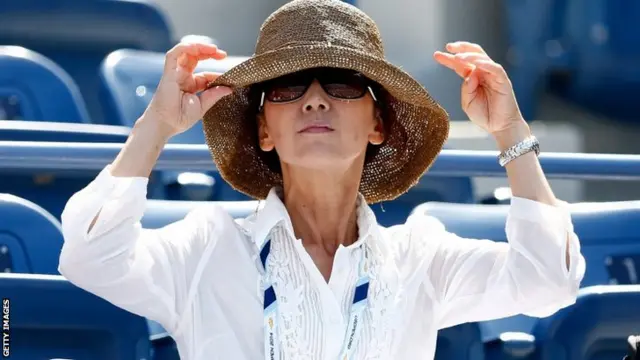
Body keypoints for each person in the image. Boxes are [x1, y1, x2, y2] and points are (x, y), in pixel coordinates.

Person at [58, 0, 586, 359]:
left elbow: (547, 280)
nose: (314, 98)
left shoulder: (421, 256)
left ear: (378, 123)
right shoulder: (207, 245)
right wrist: (156, 127)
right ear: (264, 131)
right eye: (287, 88)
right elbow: (90, 258)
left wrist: (510, 132)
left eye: (340, 83)